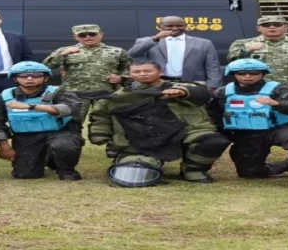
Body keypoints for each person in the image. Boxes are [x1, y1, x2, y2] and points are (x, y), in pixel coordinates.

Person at [88, 61, 229, 186]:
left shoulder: (179, 87)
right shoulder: (117, 97)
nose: (142, 74)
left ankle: (193, 169)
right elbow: (101, 116)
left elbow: (203, 94)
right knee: (135, 169)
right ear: (130, 74)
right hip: (140, 137)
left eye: (147, 71)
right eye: (137, 72)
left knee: (213, 141)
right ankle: (144, 161)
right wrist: (99, 133)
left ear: (160, 72)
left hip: (184, 131)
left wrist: (182, 92)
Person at [210, 59, 288, 189]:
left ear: (263, 74)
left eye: (253, 73)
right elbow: (214, 115)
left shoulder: (278, 89)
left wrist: (277, 104)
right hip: (246, 133)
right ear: (233, 74)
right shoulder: (222, 93)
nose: (247, 76)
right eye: (242, 73)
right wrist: (226, 133)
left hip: (278, 128)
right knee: (250, 173)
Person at [0, 61, 83, 180]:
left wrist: (32, 106)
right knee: (25, 175)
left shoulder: (59, 93)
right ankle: (46, 157)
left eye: (36, 76)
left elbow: (71, 109)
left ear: (46, 78)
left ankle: (66, 169)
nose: (29, 79)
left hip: (59, 133)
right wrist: (4, 147)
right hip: (26, 137)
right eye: (23, 76)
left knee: (63, 145)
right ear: (15, 79)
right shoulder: (3, 97)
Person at [43, 24, 131, 124]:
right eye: (82, 35)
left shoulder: (117, 51)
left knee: (106, 123)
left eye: (92, 34)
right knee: (72, 124)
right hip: (74, 94)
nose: (88, 37)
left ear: (101, 34)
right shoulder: (64, 50)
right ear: (75, 37)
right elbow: (46, 67)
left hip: (105, 93)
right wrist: (63, 54)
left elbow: (129, 69)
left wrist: (121, 78)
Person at [227, 16, 288, 92]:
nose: (272, 27)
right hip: (254, 90)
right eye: (266, 25)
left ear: (286, 27)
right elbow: (232, 62)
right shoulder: (242, 43)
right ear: (258, 28)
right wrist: (249, 50)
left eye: (277, 24)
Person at [128, 16, 223, 88]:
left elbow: (213, 66)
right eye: (169, 26)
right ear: (160, 27)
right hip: (158, 83)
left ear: (185, 26)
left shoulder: (204, 43)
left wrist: (213, 86)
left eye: (179, 25)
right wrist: (155, 38)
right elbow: (133, 54)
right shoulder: (147, 41)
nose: (174, 28)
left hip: (193, 84)